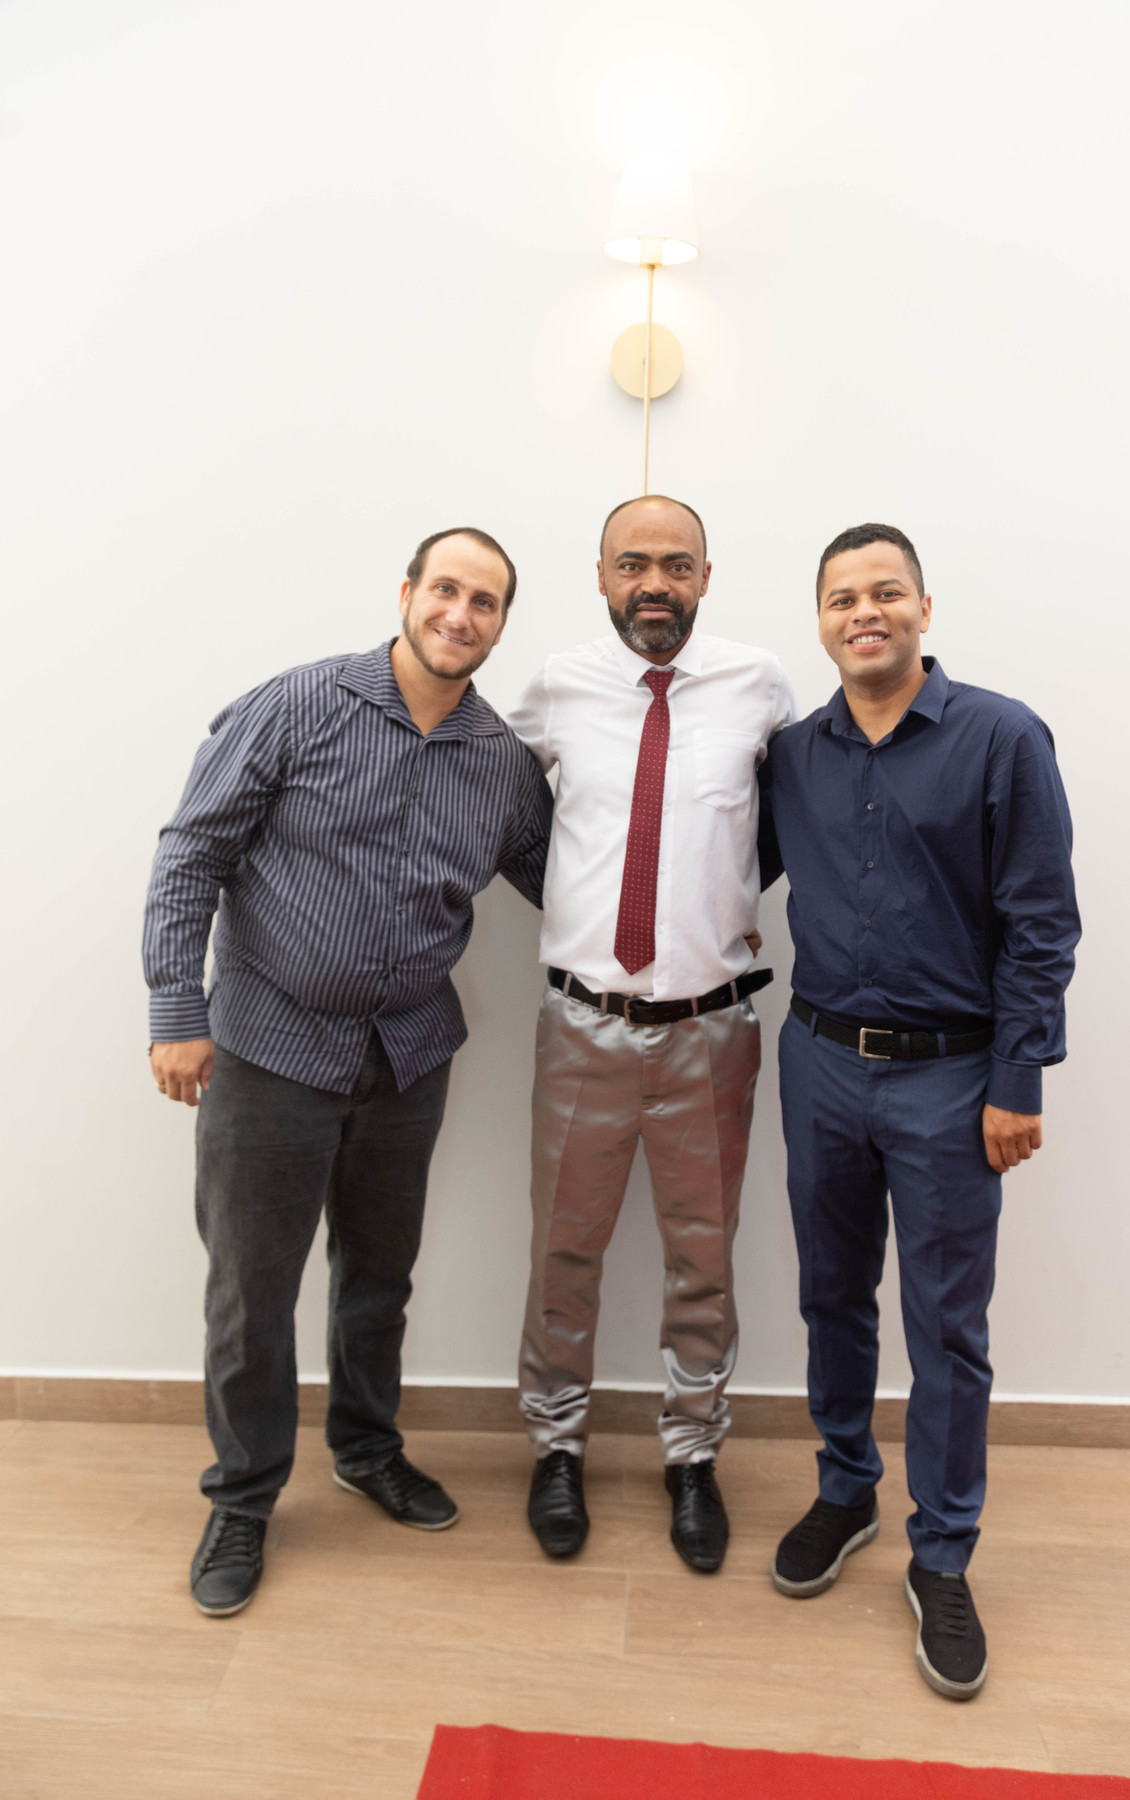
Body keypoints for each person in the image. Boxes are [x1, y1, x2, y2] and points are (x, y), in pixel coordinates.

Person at [143, 527, 552, 1618]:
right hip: (267, 1048)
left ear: (501, 624)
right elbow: (192, 851)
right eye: (446, 589)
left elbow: (573, 881)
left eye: (486, 602)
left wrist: (706, 902)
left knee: (379, 1276)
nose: (461, 614)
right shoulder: (298, 704)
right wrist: (176, 1009)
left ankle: (367, 1449)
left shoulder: (503, 764)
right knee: (252, 1290)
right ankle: (243, 1498)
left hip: (407, 1058)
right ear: (407, 592)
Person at [761, 522, 1080, 1698]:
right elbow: (723, 871)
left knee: (947, 1327)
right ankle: (846, 1487)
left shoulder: (1002, 738)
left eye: (885, 591)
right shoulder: (791, 755)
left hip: (953, 1078)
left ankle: (941, 1553)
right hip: (819, 1062)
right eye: (842, 597)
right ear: (821, 622)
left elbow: (1043, 923)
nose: (865, 612)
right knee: (831, 1293)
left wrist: (1017, 1079)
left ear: (925, 609)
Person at [508, 494, 796, 1573]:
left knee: (702, 1259)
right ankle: (556, 1447)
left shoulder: (759, 685)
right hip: (581, 1024)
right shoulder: (557, 686)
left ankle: (692, 1454)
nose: (655, 584)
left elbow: (790, 817)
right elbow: (497, 803)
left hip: (711, 1033)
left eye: (677, 565)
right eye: (633, 564)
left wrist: (722, 899)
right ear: (601, 576)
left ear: (706, 577)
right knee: (562, 1252)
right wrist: (568, 902)